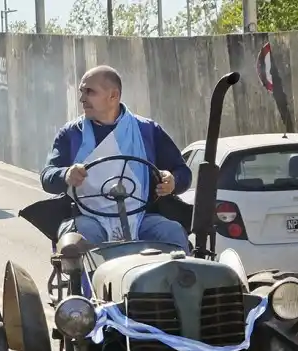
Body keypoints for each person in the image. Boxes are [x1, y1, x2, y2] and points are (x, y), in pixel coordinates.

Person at [39, 65, 192, 252]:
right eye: (82, 92)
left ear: (113, 96)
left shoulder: (148, 130)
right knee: (77, 240)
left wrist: (173, 181)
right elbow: (47, 176)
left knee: (173, 232)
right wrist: (66, 175)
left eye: (90, 92)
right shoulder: (71, 134)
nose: (82, 99)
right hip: (88, 219)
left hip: (141, 218)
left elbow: (183, 172)